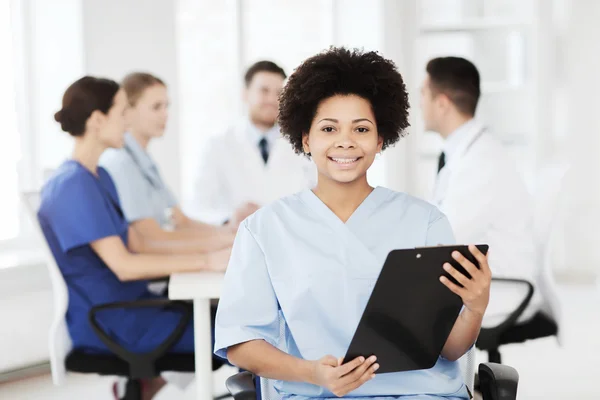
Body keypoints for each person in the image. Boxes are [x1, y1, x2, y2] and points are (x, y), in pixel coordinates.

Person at [214, 48, 492, 400]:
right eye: (329, 128)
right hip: (316, 393)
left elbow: (450, 348)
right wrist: (313, 373)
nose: (345, 141)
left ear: (379, 140)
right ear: (305, 139)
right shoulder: (264, 229)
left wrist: (475, 307)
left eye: (361, 129)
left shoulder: (425, 222)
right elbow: (241, 341)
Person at [39, 76, 230, 400]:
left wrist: (215, 246)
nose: (128, 120)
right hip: (119, 323)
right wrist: (207, 260)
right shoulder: (74, 185)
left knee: (240, 316)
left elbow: (139, 243)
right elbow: (125, 265)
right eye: (122, 111)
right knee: (249, 330)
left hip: (136, 310)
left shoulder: (99, 177)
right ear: (98, 120)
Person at [420, 56, 541, 328]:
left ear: (442, 104)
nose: (419, 104)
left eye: (423, 94)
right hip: (483, 279)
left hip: (502, 289)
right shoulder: (467, 152)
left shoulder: (480, 161)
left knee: (398, 307)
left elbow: (447, 238)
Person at [99, 72, 246, 253]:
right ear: (128, 112)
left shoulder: (145, 163)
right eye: (156, 107)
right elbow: (150, 236)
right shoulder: (121, 163)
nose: (165, 115)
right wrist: (224, 241)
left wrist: (232, 233)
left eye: (166, 106)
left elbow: (181, 221)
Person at [189, 61, 317, 224]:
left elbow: (318, 198)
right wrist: (229, 218)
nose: (272, 99)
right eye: (264, 91)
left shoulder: (303, 144)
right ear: (245, 94)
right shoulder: (218, 146)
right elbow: (198, 207)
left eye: (279, 92)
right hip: (235, 241)